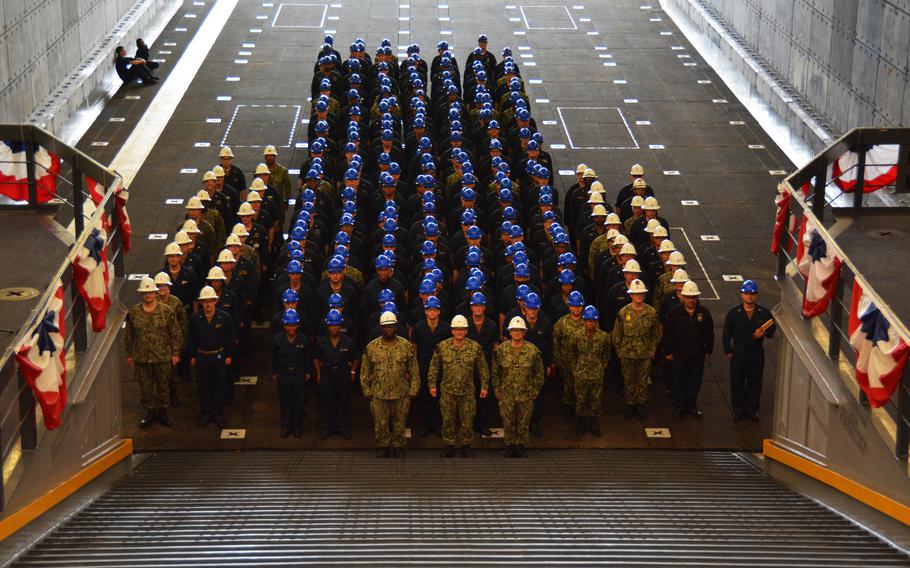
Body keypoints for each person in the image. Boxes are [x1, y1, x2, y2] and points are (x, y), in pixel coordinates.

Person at [428, 315, 490, 457]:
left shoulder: (475, 348)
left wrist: (485, 386)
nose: (459, 332)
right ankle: (449, 446)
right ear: (452, 330)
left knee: (467, 421)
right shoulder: (442, 347)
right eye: (456, 329)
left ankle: (466, 446)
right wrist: (432, 385)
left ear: (466, 331)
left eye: (462, 329)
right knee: (448, 420)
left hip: (467, 392)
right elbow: (434, 367)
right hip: (448, 391)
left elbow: (483, 368)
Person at [361, 311, 420, 458]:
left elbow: (413, 368)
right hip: (379, 392)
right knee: (381, 422)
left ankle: (398, 446)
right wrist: (366, 389)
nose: (389, 329)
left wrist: (414, 389)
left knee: (400, 422)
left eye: (391, 326)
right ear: (381, 328)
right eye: (386, 327)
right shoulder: (371, 347)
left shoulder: (406, 346)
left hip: (401, 392)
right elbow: (365, 370)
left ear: (396, 327)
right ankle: (384, 446)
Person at [124, 277, 181, 428]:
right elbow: (129, 334)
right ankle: (150, 412)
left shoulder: (166, 312)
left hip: (162, 357)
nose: (147, 295)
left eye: (150, 292)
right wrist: (129, 354)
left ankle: (163, 412)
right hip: (142, 357)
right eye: (144, 293)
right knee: (145, 387)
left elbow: (175, 333)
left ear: (155, 293)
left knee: (163, 386)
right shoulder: (134, 312)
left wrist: (176, 353)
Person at [492, 316, 544, 458]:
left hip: (525, 394)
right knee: (508, 421)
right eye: (514, 330)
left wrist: (534, 390)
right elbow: (495, 371)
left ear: (524, 332)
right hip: (506, 394)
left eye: (520, 330)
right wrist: (496, 389)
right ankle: (510, 446)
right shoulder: (501, 350)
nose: (517, 333)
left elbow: (539, 373)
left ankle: (520, 447)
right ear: (509, 332)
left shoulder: (532, 351)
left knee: (523, 421)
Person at [723, 279, 775, 422]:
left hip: (756, 353)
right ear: (742, 295)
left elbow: (771, 330)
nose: (750, 296)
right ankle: (738, 409)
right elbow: (727, 332)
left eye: (752, 293)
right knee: (737, 381)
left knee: (755, 382)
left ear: (756, 295)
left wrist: (763, 333)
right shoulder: (733, 313)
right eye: (747, 293)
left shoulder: (763, 313)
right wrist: (728, 350)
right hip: (739, 352)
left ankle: (752, 409)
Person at [662, 281, 714, 419]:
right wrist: (667, 352)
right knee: (679, 381)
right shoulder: (674, 314)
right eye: (688, 297)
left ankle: (691, 406)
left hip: (697, 355)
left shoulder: (704, 313)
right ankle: (679, 407)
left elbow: (709, 333)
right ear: (683, 297)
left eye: (693, 297)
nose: (691, 300)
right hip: (680, 355)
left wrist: (708, 350)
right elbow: (668, 334)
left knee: (695, 382)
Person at [187, 286, 235, 429]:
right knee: (204, 386)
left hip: (219, 356)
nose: (208, 304)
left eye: (210, 301)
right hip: (202, 356)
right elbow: (191, 338)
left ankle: (218, 413)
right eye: (205, 301)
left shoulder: (225, 317)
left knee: (219, 385)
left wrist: (229, 355)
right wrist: (192, 356)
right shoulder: (195, 318)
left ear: (215, 301)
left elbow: (231, 338)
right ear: (201, 303)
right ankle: (206, 413)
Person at [612, 279, 660, 419]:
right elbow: (617, 334)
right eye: (635, 294)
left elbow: (656, 334)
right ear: (631, 295)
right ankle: (630, 404)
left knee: (642, 381)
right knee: (628, 380)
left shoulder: (651, 312)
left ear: (644, 295)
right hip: (627, 354)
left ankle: (640, 405)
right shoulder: (623, 312)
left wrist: (652, 350)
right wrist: (620, 351)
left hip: (644, 354)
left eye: (641, 294)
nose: (638, 296)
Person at [314, 309, 360, 439]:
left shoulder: (348, 341)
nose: (334, 328)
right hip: (327, 375)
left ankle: (342, 427)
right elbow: (316, 358)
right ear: (328, 326)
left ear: (340, 326)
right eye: (331, 325)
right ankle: (328, 427)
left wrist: (352, 371)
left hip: (343, 374)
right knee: (328, 402)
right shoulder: (321, 341)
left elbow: (356, 357)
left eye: (336, 325)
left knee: (342, 402)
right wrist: (318, 374)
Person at [271, 308, 312, 438]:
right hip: (283, 374)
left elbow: (308, 357)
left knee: (298, 401)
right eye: (289, 325)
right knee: (285, 401)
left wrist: (308, 372)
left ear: (298, 325)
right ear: (284, 325)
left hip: (299, 374)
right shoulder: (277, 339)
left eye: (294, 325)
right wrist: (274, 372)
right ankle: (286, 426)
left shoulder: (303, 339)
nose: (291, 328)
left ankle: (297, 426)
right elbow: (273, 357)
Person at [571, 306, 611, 436]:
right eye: (588, 320)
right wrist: (575, 369)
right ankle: (581, 423)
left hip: (596, 374)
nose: (590, 323)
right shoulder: (576, 336)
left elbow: (606, 354)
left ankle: (593, 423)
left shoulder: (603, 337)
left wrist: (602, 367)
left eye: (593, 321)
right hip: (581, 373)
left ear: (597, 321)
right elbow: (572, 353)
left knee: (595, 400)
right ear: (584, 321)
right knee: (581, 399)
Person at [153, 272, 186, 407]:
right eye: (159, 286)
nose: (162, 288)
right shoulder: (152, 302)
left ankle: (173, 394)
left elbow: (182, 322)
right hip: (156, 344)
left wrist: (180, 343)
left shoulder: (175, 302)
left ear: (169, 287)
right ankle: (160, 400)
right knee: (157, 374)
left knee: (173, 373)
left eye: (164, 286)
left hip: (172, 344)